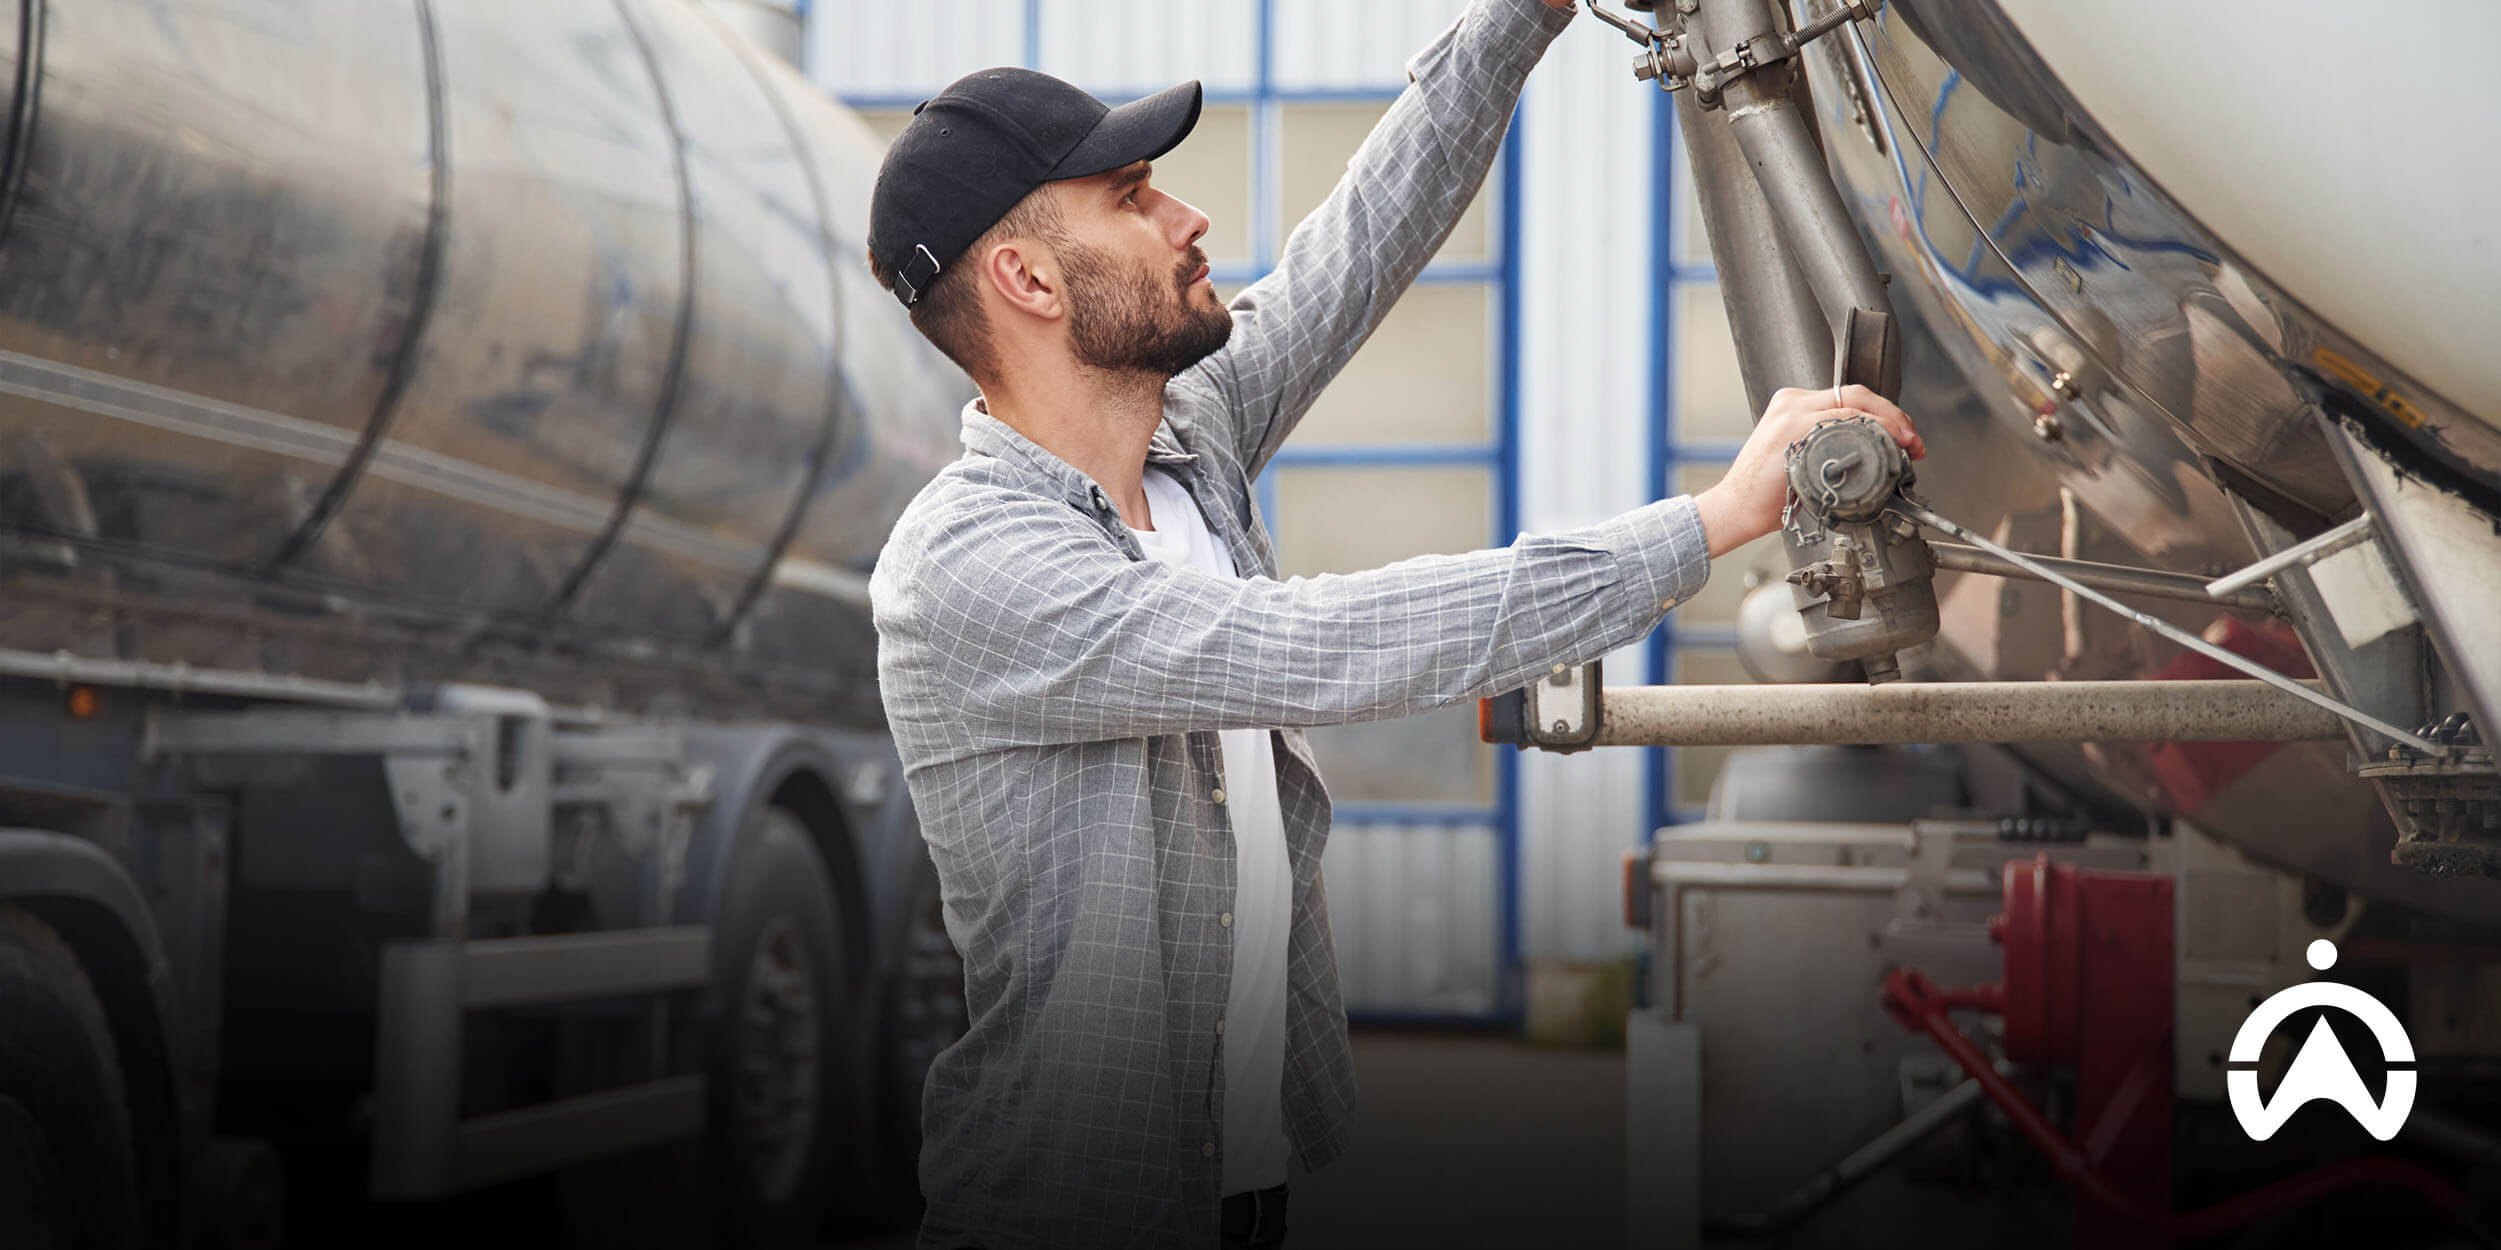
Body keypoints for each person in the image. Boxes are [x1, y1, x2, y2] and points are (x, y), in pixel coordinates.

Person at [863, 1, 1922, 1246]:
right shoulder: (970, 565)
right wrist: (1704, 522)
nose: (1186, 217)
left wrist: (1522, 14)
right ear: (1027, 278)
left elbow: (1363, 238)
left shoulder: (1185, 441)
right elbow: (1318, 645)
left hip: (1236, 1190)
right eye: (1132, 197)